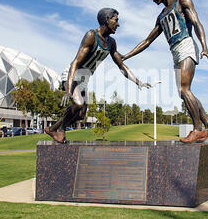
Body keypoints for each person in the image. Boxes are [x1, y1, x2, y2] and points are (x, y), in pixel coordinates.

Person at [122, 0, 208, 143]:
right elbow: (147, 41)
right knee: (185, 93)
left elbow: (196, 22)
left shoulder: (182, 1)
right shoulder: (161, 16)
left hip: (186, 44)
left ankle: (197, 129)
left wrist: (204, 47)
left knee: (183, 89)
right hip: (175, 52)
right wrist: (126, 56)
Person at [45, 8, 151, 143]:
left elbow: (121, 66)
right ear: (107, 20)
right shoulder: (91, 35)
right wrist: (68, 90)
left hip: (84, 78)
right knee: (77, 104)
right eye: (116, 20)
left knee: (81, 115)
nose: (118, 24)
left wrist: (138, 81)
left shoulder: (111, 43)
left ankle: (52, 128)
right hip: (72, 74)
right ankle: (61, 130)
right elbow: (75, 62)